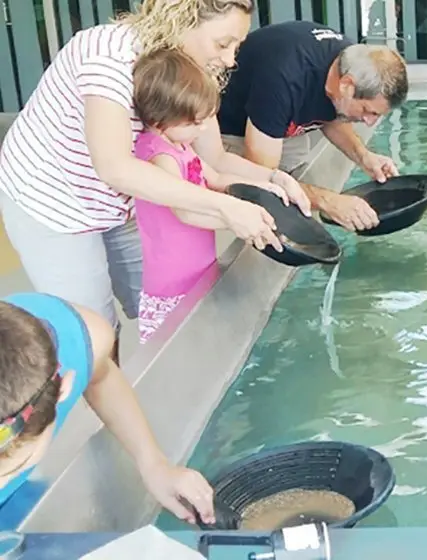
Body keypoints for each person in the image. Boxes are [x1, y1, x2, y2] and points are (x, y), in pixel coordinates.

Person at [0, 0, 310, 355]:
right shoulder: (109, 55)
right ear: (182, 20)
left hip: (124, 200)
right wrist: (226, 208)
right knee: (93, 334)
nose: (229, 60)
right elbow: (115, 168)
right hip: (51, 200)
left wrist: (273, 177)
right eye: (223, 44)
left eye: (235, 47)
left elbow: (215, 158)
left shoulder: (193, 70)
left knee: (167, 310)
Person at [0, 292, 215, 524]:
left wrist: (153, 463)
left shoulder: (79, 337)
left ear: (65, 386)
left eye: (7, 471)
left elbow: (100, 375)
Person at [132, 50, 294, 343]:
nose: (203, 129)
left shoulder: (181, 145)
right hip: (171, 285)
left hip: (197, 271)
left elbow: (216, 179)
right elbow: (185, 211)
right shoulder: (159, 157)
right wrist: (234, 220)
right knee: (175, 355)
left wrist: (262, 186)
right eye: (195, 122)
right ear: (159, 120)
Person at [218, 21, 410, 232]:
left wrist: (364, 156)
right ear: (347, 85)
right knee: (260, 196)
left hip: (279, 120)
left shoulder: (346, 62)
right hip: (231, 127)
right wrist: (328, 201)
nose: (369, 121)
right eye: (368, 111)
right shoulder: (283, 81)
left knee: (295, 159)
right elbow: (263, 178)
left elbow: (333, 116)